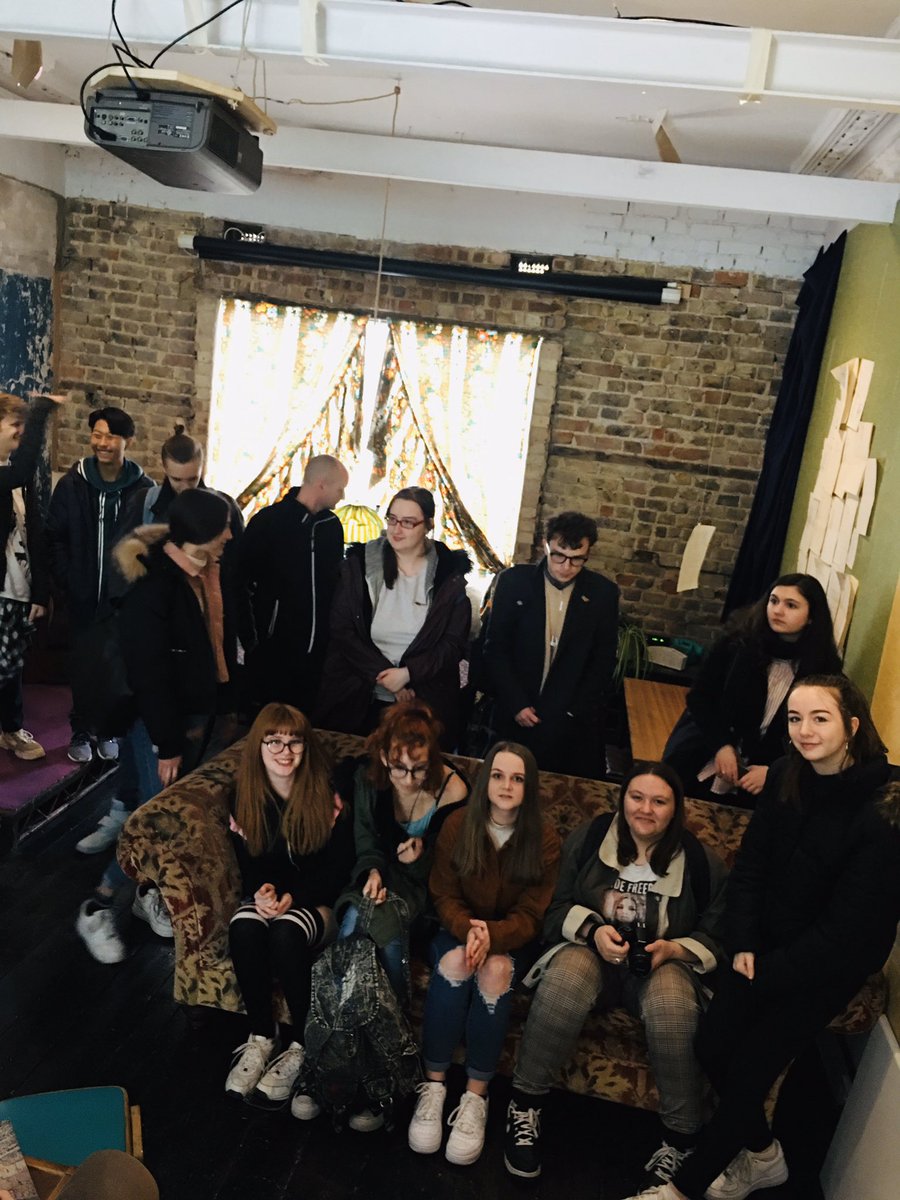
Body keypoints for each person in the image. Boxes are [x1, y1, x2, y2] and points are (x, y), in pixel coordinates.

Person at [623, 675, 900, 1200]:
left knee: (750, 1070)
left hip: (828, 965)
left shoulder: (884, 807)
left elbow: (847, 930)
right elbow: (751, 866)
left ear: (853, 725)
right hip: (762, 946)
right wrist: (744, 942)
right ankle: (766, 1156)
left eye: (820, 718)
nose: (804, 730)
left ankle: (683, 1189)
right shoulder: (783, 774)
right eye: (795, 719)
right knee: (712, 1044)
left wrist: (767, 971)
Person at [503, 762, 728, 1186]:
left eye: (659, 802)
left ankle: (680, 1140)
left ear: (675, 809)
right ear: (622, 799)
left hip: (662, 965)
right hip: (594, 956)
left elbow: (720, 932)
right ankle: (524, 1106)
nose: (645, 810)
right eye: (636, 798)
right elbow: (551, 909)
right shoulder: (590, 839)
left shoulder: (700, 861)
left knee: (673, 1006)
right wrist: (592, 930)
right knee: (566, 976)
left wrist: (675, 949)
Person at [75, 489, 236, 964]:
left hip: (195, 714)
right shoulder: (156, 585)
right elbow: (150, 676)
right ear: (201, 535)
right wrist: (167, 743)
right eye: (224, 527)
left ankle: (150, 898)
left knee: (170, 818)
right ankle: (98, 905)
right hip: (160, 724)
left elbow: (214, 645)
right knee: (156, 820)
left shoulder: (206, 571)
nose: (230, 534)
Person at [77, 423, 250, 855]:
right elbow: (148, 658)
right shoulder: (152, 551)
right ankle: (116, 874)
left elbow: (222, 619)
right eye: (177, 479)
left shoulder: (217, 523)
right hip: (155, 686)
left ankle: (139, 867)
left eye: (192, 478)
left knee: (174, 796)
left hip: (193, 690)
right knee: (152, 789)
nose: (184, 485)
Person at [407, 742, 560, 1166]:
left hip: (512, 940)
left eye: (517, 778)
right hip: (455, 929)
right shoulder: (459, 824)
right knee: (456, 962)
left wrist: (491, 936)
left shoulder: (543, 838)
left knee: (493, 972)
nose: (506, 785)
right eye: (498, 775)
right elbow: (443, 892)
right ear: (486, 780)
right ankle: (433, 1086)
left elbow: (532, 914)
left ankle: (476, 1096)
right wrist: (469, 931)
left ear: (528, 787)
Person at [224, 703, 355, 1112]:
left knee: (286, 930)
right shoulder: (242, 794)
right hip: (275, 898)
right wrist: (261, 892)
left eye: (294, 742)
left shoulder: (327, 792)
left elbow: (338, 871)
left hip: (319, 904)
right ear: (258, 747)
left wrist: (291, 899)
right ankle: (262, 1036)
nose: (285, 751)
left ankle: (302, 1042)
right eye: (274, 741)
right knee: (244, 925)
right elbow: (250, 865)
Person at [663, 573, 841, 804]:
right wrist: (722, 746)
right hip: (708, 752)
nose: (777, 610)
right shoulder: (736, 644)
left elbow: (817, 736)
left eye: (791, 605)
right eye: (773, 601)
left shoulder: (824, 670)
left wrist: (774, 772)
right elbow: (700, 698)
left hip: (770, 774)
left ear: (810, 617)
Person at [316, 486, 472, 748]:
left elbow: (452, 644)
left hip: (423, 700)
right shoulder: (359, 564)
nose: (397, 529)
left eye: (408, 523)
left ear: (428, 525)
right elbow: (343, 630)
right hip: (357, 693)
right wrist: (390, 679)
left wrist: (409, 673)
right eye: (392, 519)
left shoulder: (449, 575)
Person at [46, 405, 153, 763]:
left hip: (121, 602)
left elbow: (149, 544)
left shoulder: (143, 489)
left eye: (111, 436)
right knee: (82, 666)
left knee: (115, 669)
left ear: (128, 441)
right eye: (97, 435)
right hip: (81, 596)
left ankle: (108, 730)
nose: (102, 443)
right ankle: (80, 729)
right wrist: (67, 578)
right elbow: (55, 536)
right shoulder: (72, 484)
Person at [482, 510, 619, 777]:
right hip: (515, 708)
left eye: (577, 559)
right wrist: (517, 702)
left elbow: (602, 661)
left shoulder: (603, 593)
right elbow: (495, 647)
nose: (566, 567)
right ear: (546, 545)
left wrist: (571, 711)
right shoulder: (514, 582)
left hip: (569, 720)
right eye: (558, 555)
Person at [238, 453, 348, 714]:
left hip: (318, 655)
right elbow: (239, 580)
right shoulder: (268, 521)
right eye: (340, 488)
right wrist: (251, 638)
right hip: (272, 651)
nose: (342, 496)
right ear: (321, 484)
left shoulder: (332, 526)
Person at [0, 391, 63, 762]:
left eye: (24, 425)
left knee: (12, 666)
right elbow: (22, 468)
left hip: (18, 591)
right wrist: (40, 412)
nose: (20, 431)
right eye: (14, 424)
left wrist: (40, 591)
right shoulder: (12, 475)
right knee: (4, 665)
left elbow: (35, 533)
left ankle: (9, 730)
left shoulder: (19, 480)